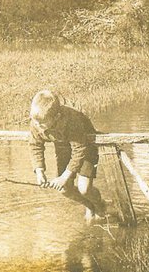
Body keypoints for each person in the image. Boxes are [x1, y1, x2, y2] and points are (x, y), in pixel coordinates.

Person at [28, 89, 106, 221]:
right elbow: (35, 145)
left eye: (41, 123)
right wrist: (39, 171)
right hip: (64, 147)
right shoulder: (36, 122)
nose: (37, 125)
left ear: (56, 117)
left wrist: (65, 176)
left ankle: (100, 205)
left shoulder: (72, 121)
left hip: (85, 146)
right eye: (35, 121)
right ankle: (89, 205)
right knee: (64, 189)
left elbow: (79, 150)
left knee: (84, 188)